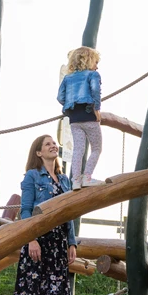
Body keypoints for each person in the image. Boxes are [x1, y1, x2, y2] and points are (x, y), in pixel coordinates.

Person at [15, 134, 78, 295]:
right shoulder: (32, 176)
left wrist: (72, 243)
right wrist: (31, 239)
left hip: (59, 242)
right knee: (33, 291)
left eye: (54, 143)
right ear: (38, 153)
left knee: (58, 294)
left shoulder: (64, 180)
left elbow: (69, 213)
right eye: (47, 144)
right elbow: (26, 210)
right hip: (39, 239)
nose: (53, 146)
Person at [57, 46, 104, 189]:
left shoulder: (68, 78)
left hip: (74, 118)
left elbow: (60, 97)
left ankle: (75, 180)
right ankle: (87, 177)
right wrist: (97, 110)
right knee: (96, 148)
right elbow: (95, 91)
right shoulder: (92, 75)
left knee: (78, 149)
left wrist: (69, 105)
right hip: (88, 114)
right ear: (88, 61)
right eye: (96, 62)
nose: (96, 67)